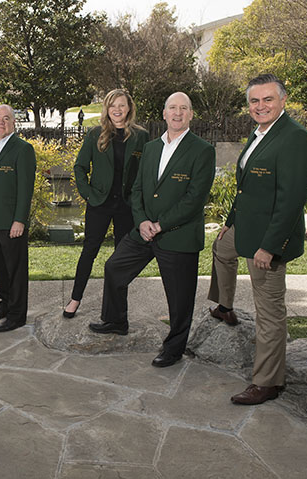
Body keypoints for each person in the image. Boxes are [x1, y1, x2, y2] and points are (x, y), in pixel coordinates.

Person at [208, 74, 307, 405]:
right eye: (254, 101)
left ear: (283, 100)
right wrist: (230, 222)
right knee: (220, 249)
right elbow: (246, 188)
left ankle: (268, 382)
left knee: (268, 310)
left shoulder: (295, 140)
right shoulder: (258, 134)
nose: (260, 106)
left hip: (271, 237)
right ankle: (225, 306)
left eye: (268, 99)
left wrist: (269, 247)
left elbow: (291, 201)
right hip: (247, 224)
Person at [90, 92, 215, 368]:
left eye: (183, 108)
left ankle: (173, 349)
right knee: (114, 267)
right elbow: (137, 190)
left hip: (177, 233)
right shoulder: (150, 148)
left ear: (191, 115)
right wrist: (142, 221)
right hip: (144, 230)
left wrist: (161, 224)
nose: (178, 113)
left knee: (179, 298)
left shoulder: (202, 150)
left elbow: (194, 199)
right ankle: (115, 320)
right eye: (172, 108)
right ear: (164, 113)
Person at [64, 90, 149, 318]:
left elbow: (146, 173)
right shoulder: (95, 134)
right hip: (99, 203)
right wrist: (89, 194)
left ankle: (116, 310)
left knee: (121, 259)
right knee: (89, 251)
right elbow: (80, 168)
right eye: (113, 105)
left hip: (127, 205)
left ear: (129, 108)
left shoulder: (141, 136)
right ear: (107, 109)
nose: (117, 110)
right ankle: (75, 299)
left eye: (122, 105)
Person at [0, 104, 36, 332]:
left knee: (16, 270)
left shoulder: (22, 149)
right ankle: (5, 304)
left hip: (12, 222)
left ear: (14, 122)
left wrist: (19, 220)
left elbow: (25, 189)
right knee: (0, 268)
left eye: (6, 118)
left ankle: (17, 315)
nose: (1, 122)